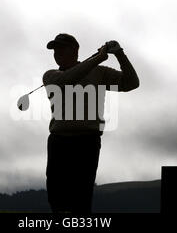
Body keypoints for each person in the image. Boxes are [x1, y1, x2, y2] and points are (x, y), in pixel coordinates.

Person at [43, 33, 139, 213]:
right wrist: (98, 59)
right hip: (59, 142)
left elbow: (131, 83)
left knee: (82, 196)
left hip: (87, 142)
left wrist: (119, 54)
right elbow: (66, 81)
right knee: (56, 196)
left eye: (61, 48)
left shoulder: (99, 72)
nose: (57, 52)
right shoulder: (50, 76)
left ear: (75, 50)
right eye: (55, 49)